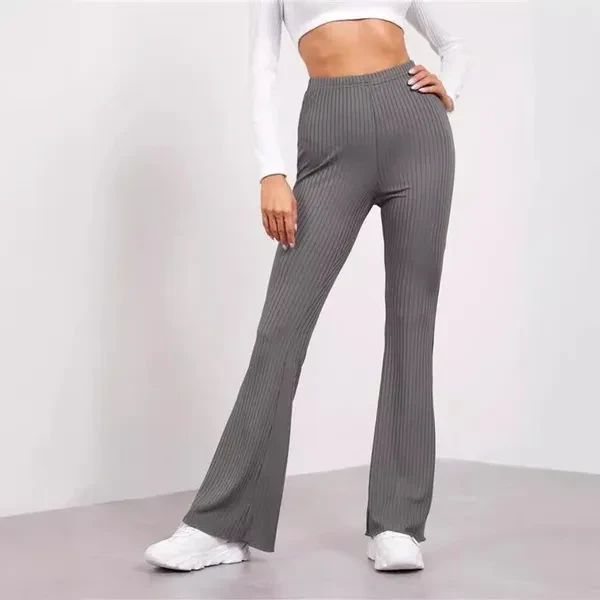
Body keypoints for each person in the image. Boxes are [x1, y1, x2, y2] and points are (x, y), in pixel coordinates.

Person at [144, 0, 467, 573]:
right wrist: (270, 170)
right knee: (281, 331)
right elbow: (261, 66)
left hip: (417, 129)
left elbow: (452, 43)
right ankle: (222, 526)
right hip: (331, 132)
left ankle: (397, 523)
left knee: (412, 322)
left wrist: (450, 88)